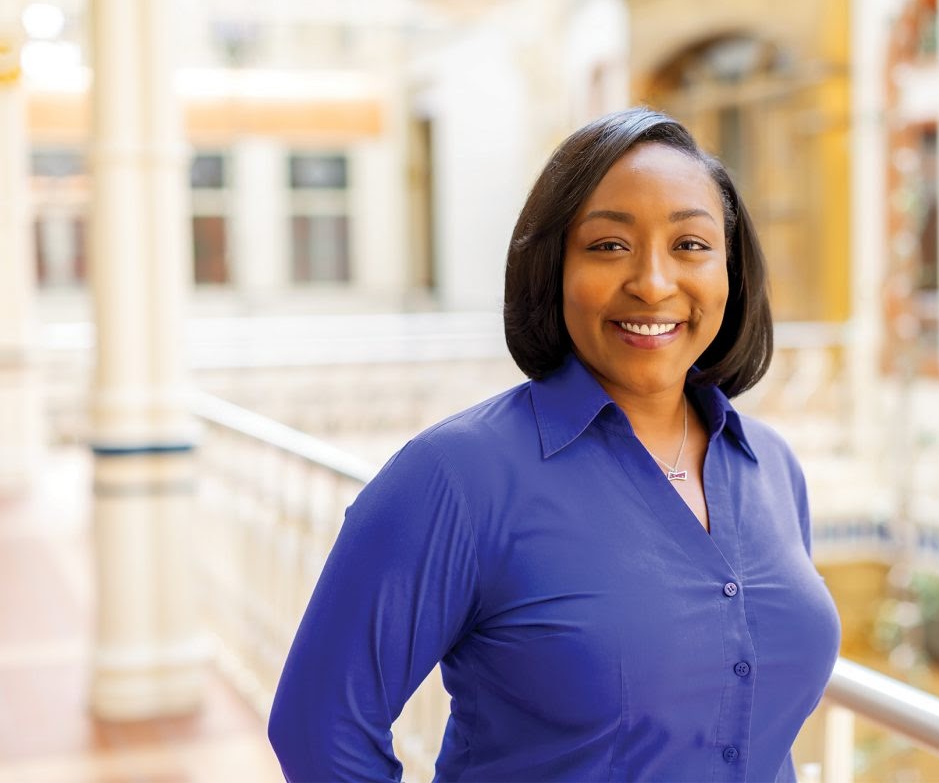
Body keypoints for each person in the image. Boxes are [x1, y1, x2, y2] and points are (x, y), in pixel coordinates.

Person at [267, 107, 841, 782]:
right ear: (553, 268)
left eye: (690, 244)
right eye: (609, 245)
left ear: (731, 272)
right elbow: (319, 727)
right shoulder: (456, 477)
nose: (653, 283)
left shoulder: (770, 467)